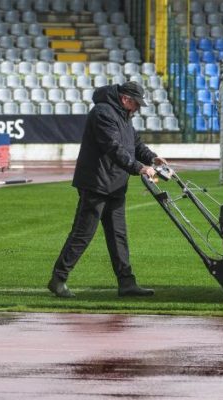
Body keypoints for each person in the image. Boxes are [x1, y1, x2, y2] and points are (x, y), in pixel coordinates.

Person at [48, 81, 167, 299]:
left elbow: (135, 144)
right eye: (136, 104)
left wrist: (152, 157)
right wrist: (139, 168)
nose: (137, 108)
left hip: (115, 184)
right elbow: (113, 148)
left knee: (118, 236)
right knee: (83, 233)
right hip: (97, 183)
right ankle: (58, 279)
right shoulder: (102, 113)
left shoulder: (123, 116)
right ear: (125, 99)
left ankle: (126, 283)